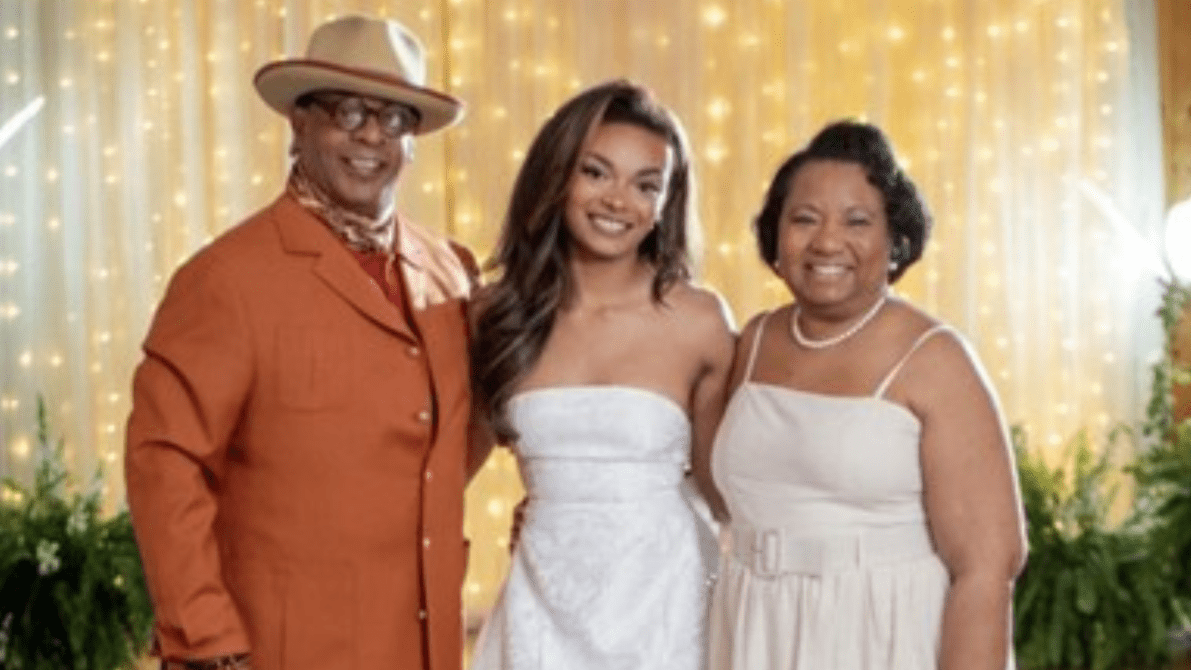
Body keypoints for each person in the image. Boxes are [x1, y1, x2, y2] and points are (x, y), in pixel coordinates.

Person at [125, 15, 478, 670]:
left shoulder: (451, 271)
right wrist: (204, 639)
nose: (371, 134)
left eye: (395, 118)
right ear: (299, 123)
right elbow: (165, 463)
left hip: (423, 645)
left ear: (414, 140)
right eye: (348, 112)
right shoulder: (225, 278)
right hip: (277, 649)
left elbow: (454, 443)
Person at [707, 121, 1027, 669]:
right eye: (804, 219)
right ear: (775, 238)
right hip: (754, 626)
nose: (827, 241)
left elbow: (986, 565)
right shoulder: (753, 340)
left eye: (857, 221)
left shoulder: (935, 359)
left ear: (895, 238)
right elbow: (696, 479)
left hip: (880, 634)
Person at [466, 80, 735, 669]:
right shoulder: (494, 314)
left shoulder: (699, 321)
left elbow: (727, 491)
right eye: (596, 173)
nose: (619, 200)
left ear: (667, 202)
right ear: (556, 175)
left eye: (646, 185)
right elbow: (444, 470)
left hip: (670, 601)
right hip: (543, 602)